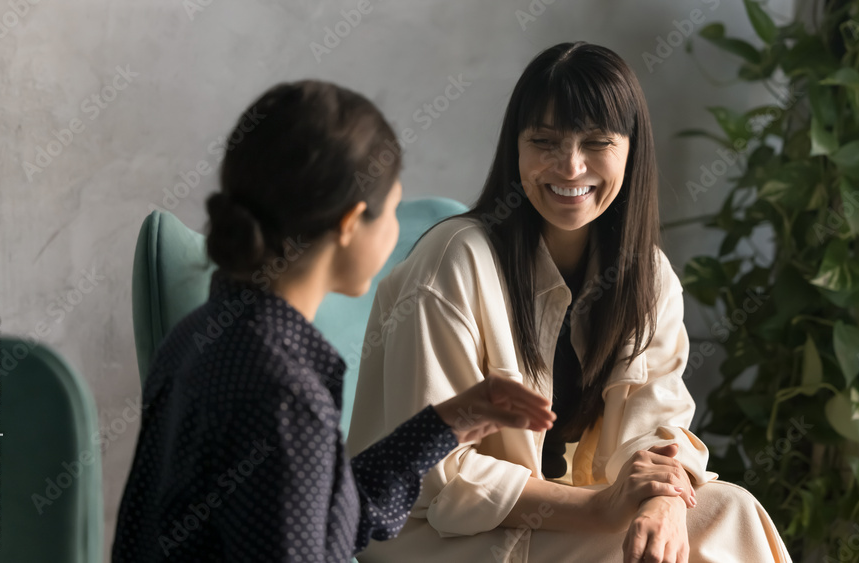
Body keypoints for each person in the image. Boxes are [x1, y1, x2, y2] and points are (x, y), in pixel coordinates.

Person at [347, 42, 793, 562]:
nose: (570, 166)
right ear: (516, 148)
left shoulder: (648, 276)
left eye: (597, 141)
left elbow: (656, 423)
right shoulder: (454, 262)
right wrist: (600, 511)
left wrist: (663, 500)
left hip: (569, 515)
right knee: (711, 526)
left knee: (722, 510)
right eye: (545, 141)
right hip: (443, 536)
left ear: (631, 149)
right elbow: (435, 476)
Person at [112, 79, 560, 562]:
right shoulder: (285, 392)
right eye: (390, 213)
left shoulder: (197, 337)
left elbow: (324, 522)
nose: (397, 232)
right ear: (349, 224)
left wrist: (446, 423)